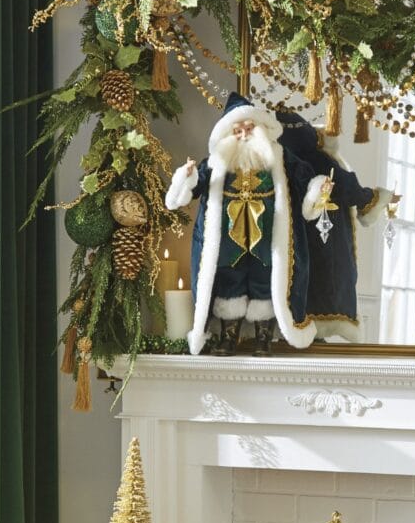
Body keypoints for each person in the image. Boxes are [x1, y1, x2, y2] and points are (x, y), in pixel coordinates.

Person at [165, 93, 338, 356]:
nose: (244, 134)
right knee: (228, 285)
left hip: (268, 241)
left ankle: (263, 339)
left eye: (249, 128)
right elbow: (190, 190)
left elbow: (305, 179)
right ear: (228, 133)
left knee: (265, 284)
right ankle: (228, 338)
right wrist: (186, 178)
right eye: (238, 130)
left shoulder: (279, 157)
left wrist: (319, 189)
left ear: (260, 129)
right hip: (227, 242)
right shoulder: (217, 162)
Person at [277, 111, 397, 341]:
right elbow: (348, 187)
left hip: (292, 242)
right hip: (325, 243)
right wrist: (377, 198)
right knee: (321, 286)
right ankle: (312, 333)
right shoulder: (320, 160)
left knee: (294, 287)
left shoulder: (278, 164)